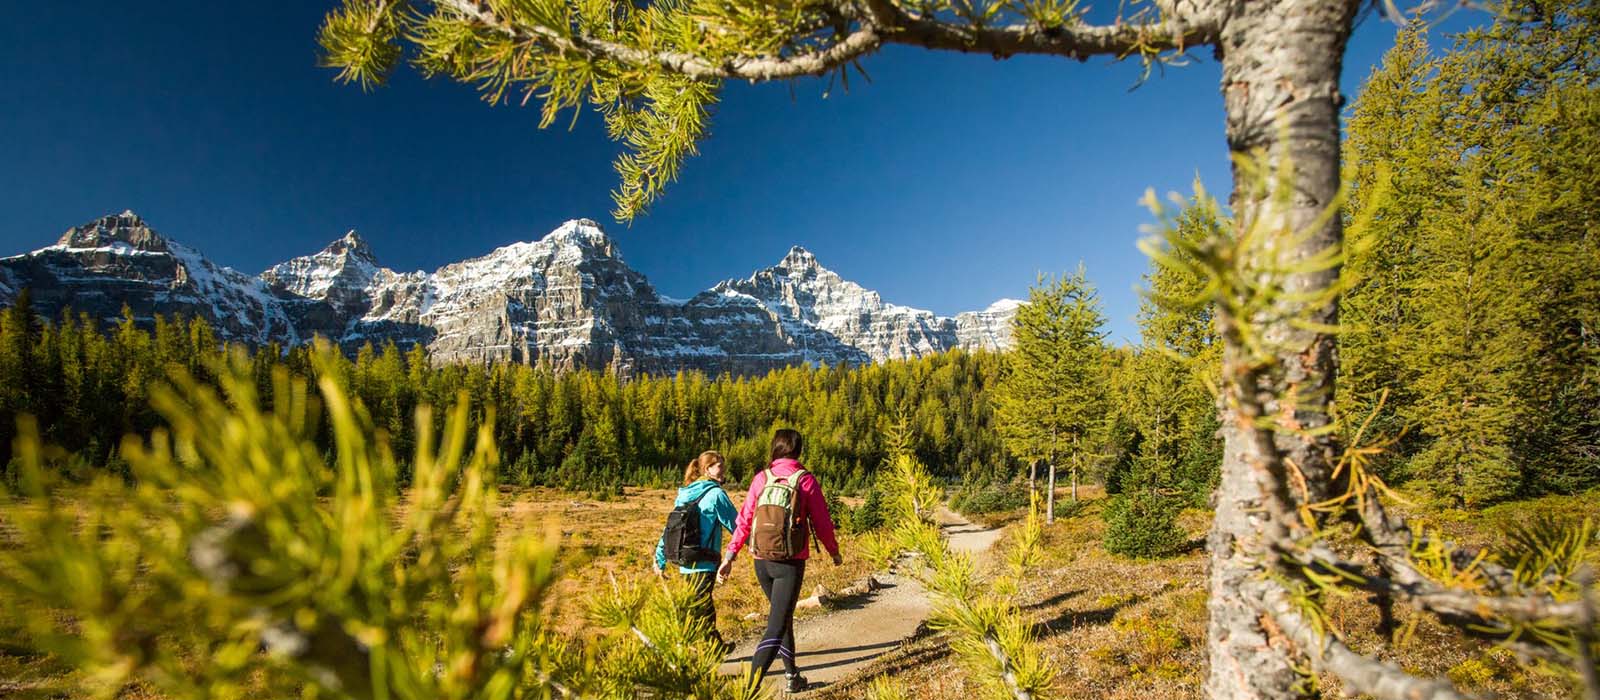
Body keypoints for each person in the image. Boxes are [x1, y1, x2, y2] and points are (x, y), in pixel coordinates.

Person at [718, 429, 841, 694]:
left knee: (781, 616)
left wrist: (730, 556)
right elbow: (822, 523)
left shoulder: (762, 478)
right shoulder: (805, 480)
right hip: (790, 561)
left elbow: (745, 520)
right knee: (776, 625)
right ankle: (748, 690)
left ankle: (792, 675)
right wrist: (833, 552)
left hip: (761, 560)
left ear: (775, 448)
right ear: (798, 450)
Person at [653, 450, 739, 653]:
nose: (723, 468)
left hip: (685, 562)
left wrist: (659, 558)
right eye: (719, 465)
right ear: (708, 469)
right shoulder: (717, 494)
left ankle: (697, 648)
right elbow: (738, 527)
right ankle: (709, 650)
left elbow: (671, 529)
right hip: (704, 561)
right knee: (701, 606)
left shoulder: (684, 494)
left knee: (696, 605)